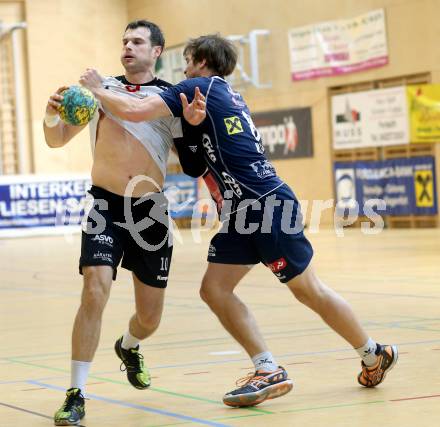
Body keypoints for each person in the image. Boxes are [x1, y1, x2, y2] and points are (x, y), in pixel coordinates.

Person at [80, 34, 398, 408]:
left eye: (186, 60)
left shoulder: (201, 85)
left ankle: (374, 353)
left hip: (264, 204)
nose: (182, 69)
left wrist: (99, 88)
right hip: (239, 213)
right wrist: (193, 127)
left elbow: (135, 110)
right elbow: (196, 164)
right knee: (215, 290)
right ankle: (267, 367)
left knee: (307, 289)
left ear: (199, 60)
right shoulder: (217, 94)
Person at [44, 20, 203, 426]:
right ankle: (76, 393)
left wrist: (196, 126)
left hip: (149, 212)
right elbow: (57, 139)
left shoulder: (170, 97)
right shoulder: (100, 92)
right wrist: (51, 116)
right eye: (125, 41)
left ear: (156, 51)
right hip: (104, 206)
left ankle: (129, 345)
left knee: (149, 318)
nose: (128, 47)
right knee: (94, 290)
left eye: (138, 42)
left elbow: (192, 162)